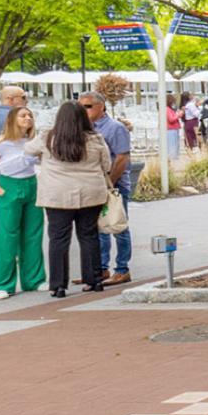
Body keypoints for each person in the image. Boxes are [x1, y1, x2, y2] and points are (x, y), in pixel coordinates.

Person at [26, 101, 110, 298]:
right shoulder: (95, 138)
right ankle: (94, 280)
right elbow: (106, 164)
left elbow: (28, 150)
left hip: (57, 195)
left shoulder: (48, 137)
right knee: (89, 236)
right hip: (90, 193)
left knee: (58, 239)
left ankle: (58, 285)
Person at [0, 106, 46, 300]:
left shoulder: (33, 142)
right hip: (9, 186)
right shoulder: (0, 142)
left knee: (33, 233)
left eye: (30, 115)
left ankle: (34, 279)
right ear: (12, 119)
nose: (28, 118)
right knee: (6, 236)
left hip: (31, 185)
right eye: (23, 115)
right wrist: (0, 191)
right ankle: (1, 284)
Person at [79, 93, 133, 287]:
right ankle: (101, 268)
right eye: (81, 106)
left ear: (101, 106)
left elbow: (122, 158)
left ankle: (122, 269)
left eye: (88, 106)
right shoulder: (84, 129)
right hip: (93, 184)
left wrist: (109, 182)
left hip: (114, 185)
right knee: (99, 227)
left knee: (118, 225)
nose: (84, 110)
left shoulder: (115, 128)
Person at [164, 93, 183, 159]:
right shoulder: (166, 109)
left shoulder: (169, 109)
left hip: (174, 129)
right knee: (172, 146)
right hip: (170, 130)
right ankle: (172, 158)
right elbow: (171, 119)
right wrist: (178, 115)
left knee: (175, 145)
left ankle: (174, 157)